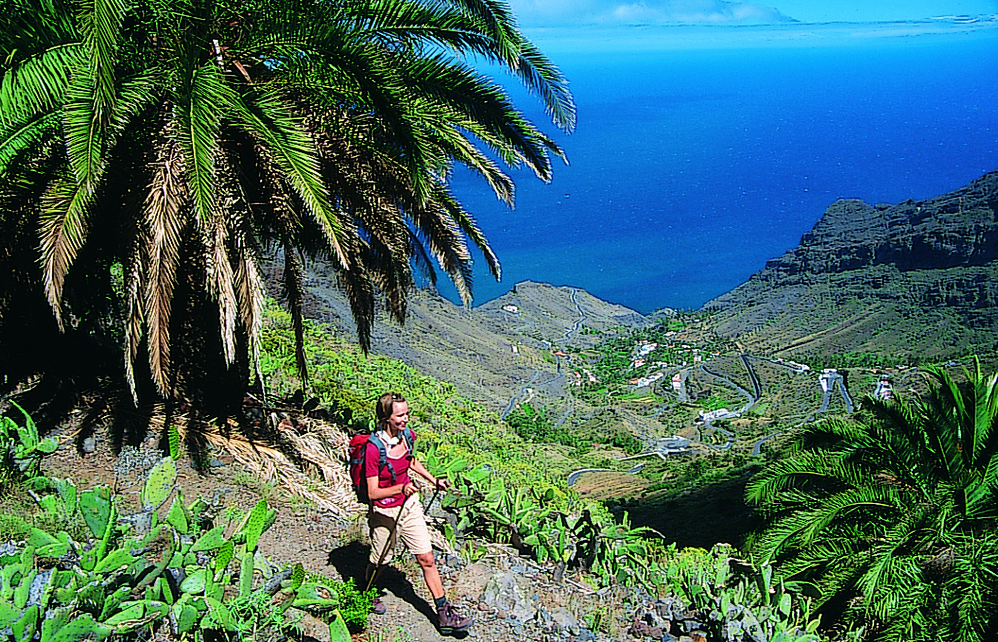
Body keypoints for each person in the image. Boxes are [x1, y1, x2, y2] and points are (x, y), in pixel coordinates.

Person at [365, 392, 473, 635]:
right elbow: (372, 492)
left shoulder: (408, 436)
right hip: (385, 510)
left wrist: (433, 480)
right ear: (386, 418)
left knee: (427, 558)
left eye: (407, 413)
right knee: (381, 559)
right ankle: (367, 591)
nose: (406, 418)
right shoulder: (374, 448)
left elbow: (411, 462)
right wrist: (399, 488)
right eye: (400, 415)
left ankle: (444, 613)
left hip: (409, 504)